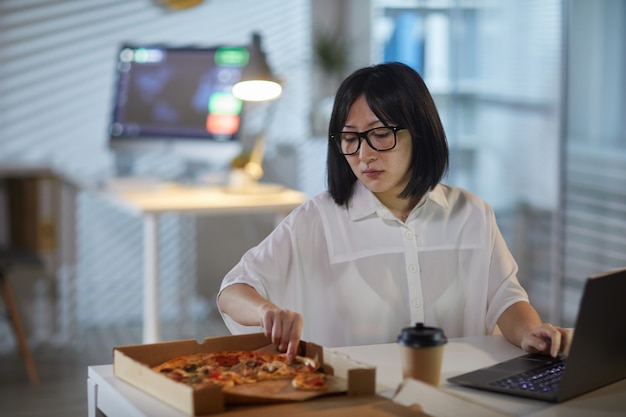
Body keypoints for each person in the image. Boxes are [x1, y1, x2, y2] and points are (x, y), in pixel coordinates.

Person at [217, 62, 570, 360]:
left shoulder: (471, 213)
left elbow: (505, 300)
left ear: (420, 132)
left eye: (380, 134)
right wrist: (266, 311)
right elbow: (234, 290)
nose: (363, 155)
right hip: (357, 400)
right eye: (350, 138)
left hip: (461, 393)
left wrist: (530, 333)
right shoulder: (317, 219)